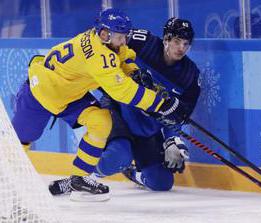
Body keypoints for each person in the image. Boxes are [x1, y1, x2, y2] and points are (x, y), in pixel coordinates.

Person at [12, 9, 187, 201]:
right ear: (105, 34)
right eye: (120, 37)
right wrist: (161, 103)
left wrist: (134, 72)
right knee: (19, 143)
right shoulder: (98, 56)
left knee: (101, 121)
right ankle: (6, 184)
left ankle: (79, 179)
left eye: (124, 36)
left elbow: (124, 55)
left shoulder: (105, 40)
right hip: (42, 93)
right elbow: (123, 91)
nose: (123, 41)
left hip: (70, 94)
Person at [49, 17, 200, 194]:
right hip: (119, 109)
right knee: (118, 157)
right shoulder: (143, 42)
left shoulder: (190, 75)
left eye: (186, 44)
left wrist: (172, 140)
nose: (181, 48)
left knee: (162, 182)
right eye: (176, 42)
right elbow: (103, 42)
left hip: (146, 128)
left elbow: (180, 113)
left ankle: (132, 173)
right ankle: (76, 180)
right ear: (166, 39)